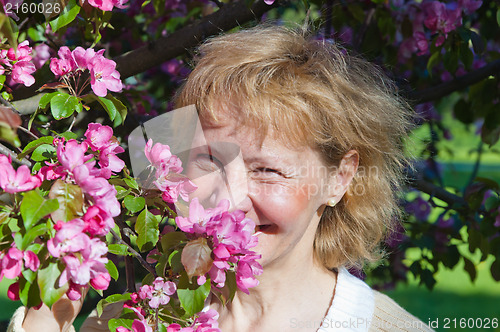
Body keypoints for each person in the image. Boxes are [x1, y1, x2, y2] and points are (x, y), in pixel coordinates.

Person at [9, 25, 433, 332]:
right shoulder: (135, 320)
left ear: (340, 178)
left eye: (267, 170)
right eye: (207, 161)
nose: (229, 201)